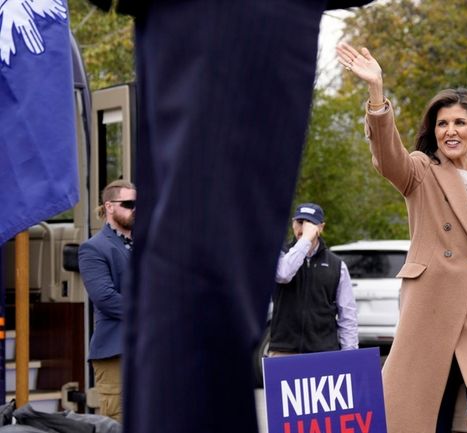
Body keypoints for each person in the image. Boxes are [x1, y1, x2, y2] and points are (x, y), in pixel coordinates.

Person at [80, 1, 374, 433]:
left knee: (188, 290)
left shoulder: (333, 264)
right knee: (202, 293)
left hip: (196, 24)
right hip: (235, 21)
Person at [336, 42, 467, 433]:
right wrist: (377, 93)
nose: (450, 131)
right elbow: (387, 156)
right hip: (429, 314)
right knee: (428, 420)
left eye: (459, 123)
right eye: (442, 124)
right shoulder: (421, 172)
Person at [78, 179, 136, 422]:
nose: (136, 209)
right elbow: (105, 298)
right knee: (119, 422)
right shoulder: (94, 248)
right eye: (129, 204)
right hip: (115, 352)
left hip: (152, 349)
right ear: (109, 206)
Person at [269, 203, 358, 354]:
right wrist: (305, 240)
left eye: (309, 223)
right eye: (300, 222)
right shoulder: (281, 255)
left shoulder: (336, 265)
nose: (303, 228)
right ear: (292, 223)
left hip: (323, 352)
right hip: (284, 350)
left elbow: (348, 315)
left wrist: (350, 354)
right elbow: (283, 274)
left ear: (321, 227)